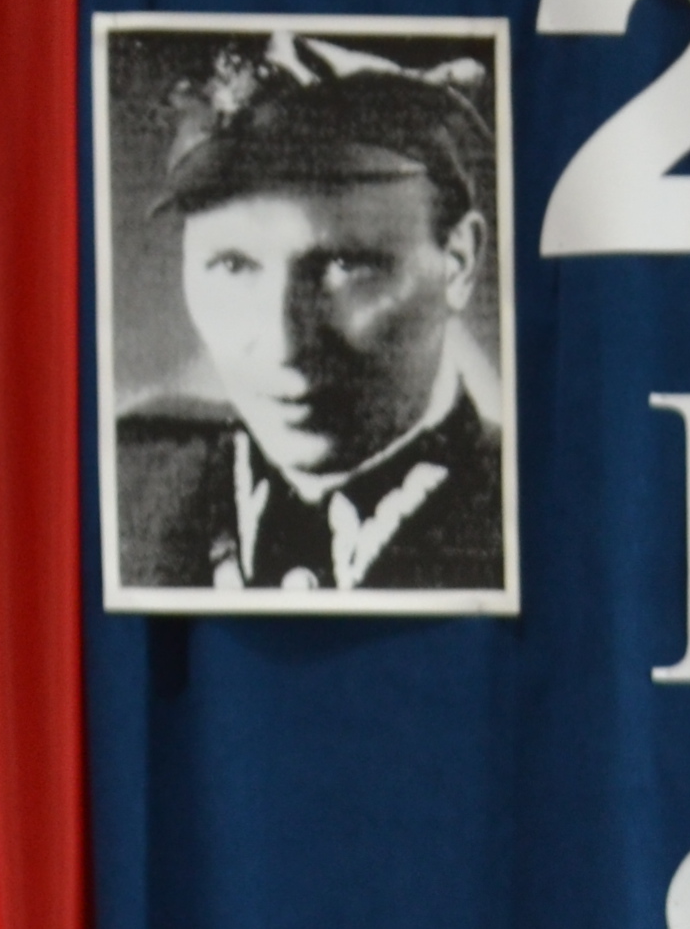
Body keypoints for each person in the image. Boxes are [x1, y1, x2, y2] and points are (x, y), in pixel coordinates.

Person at [113, 31, 507, 599]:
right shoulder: (129, 482)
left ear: (459, 263)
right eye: (232, 265)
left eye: (346, 265)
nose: (283, 346)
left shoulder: (531, 513)